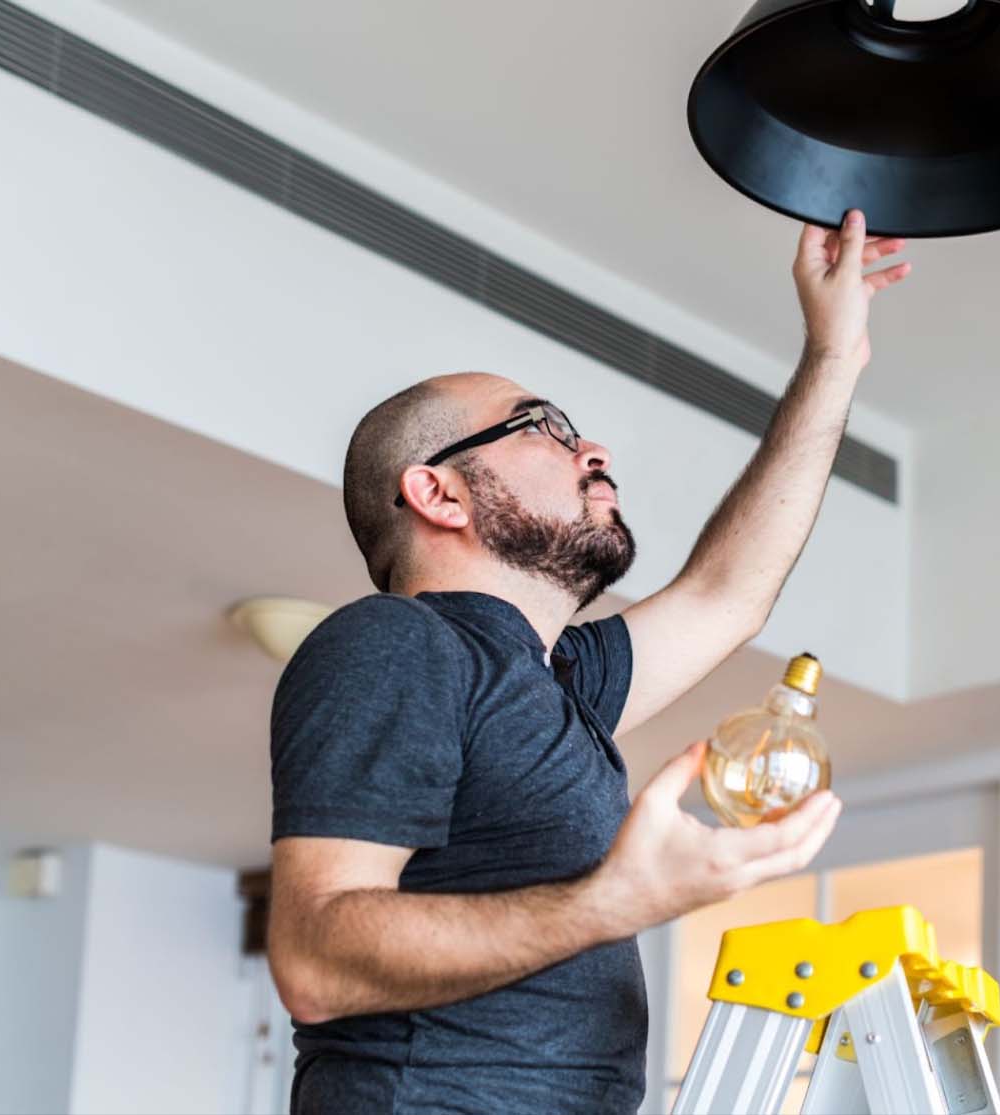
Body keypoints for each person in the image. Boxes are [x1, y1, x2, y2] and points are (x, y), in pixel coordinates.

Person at [267, 210, 910, 1114]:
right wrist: (615, 901)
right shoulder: (395, 643)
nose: (593, 450)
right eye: (542, 426)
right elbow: (313, 959)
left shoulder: (555, 681)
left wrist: (833, 356)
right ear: (438, 491)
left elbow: (729, 590)